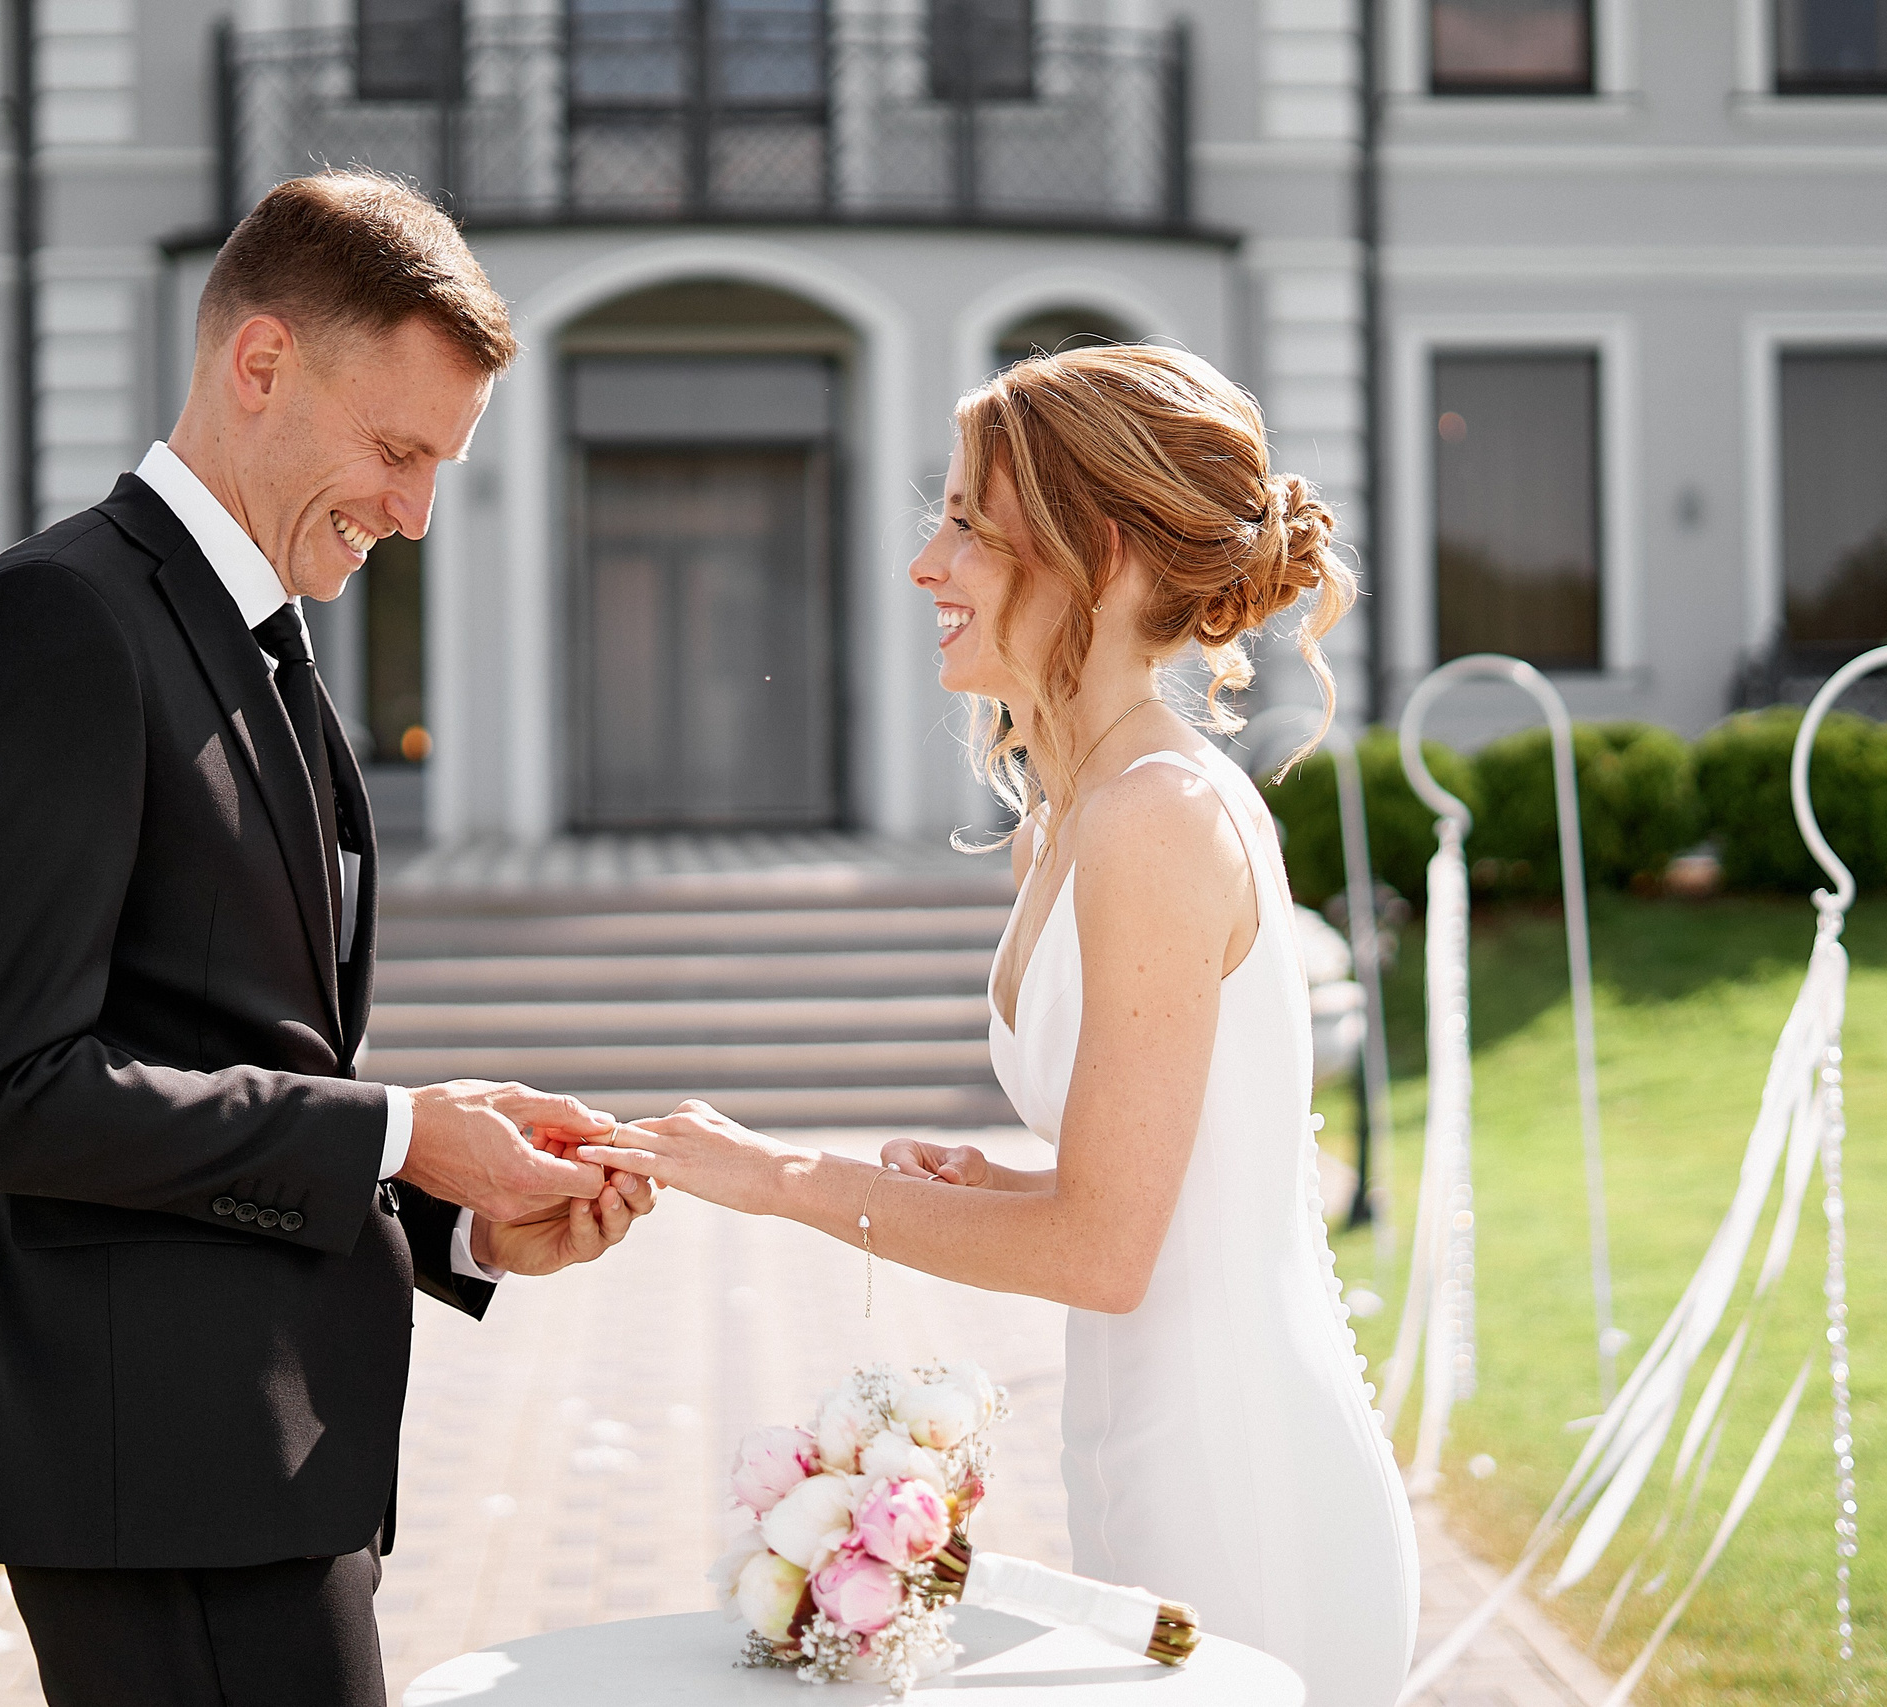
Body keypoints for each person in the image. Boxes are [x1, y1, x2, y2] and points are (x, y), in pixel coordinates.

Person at [0, 171, 654, 1707]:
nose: (415, 510)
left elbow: (219, 1044)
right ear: (259, 364)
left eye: (441, 465)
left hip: (251, 1458)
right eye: (395, 450)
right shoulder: (57, 626)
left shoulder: (258, 635)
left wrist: (455, 1203)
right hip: (153, 1475)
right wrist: (395, 1132)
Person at [580, 344, 1418, 1705]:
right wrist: (1006, 1184)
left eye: (969, 524)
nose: (927, 566)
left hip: (1244, 1487)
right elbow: (1156, 1188)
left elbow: (1103, 1249)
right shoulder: (1072, 816)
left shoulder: (1155, 817)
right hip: (1143, 1459)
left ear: (1097, 552)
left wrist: (787, 1178)